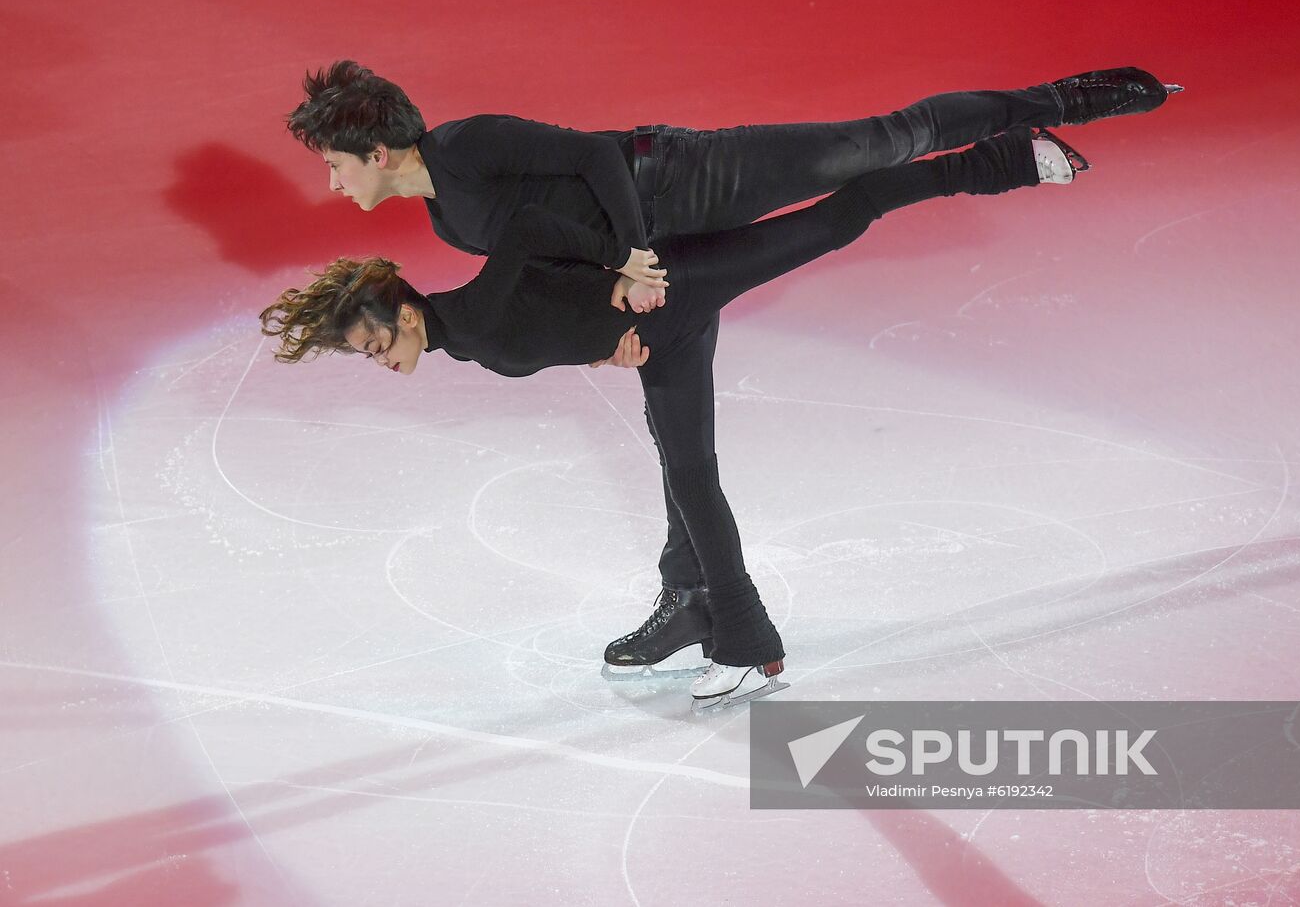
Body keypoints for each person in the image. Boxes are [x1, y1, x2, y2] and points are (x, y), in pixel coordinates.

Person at [284, 62, 1180, 685]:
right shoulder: (446, 224)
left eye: (331, 164)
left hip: (680, 179)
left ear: (372, 148)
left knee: (877, 140)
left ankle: (1055, 103)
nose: (330, 184)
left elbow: (595, 158)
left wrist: (630, 258)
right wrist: (606, 325)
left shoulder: (465, 146)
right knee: (680, 446)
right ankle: (695, 598)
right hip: (652, 273)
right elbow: (545, 273)